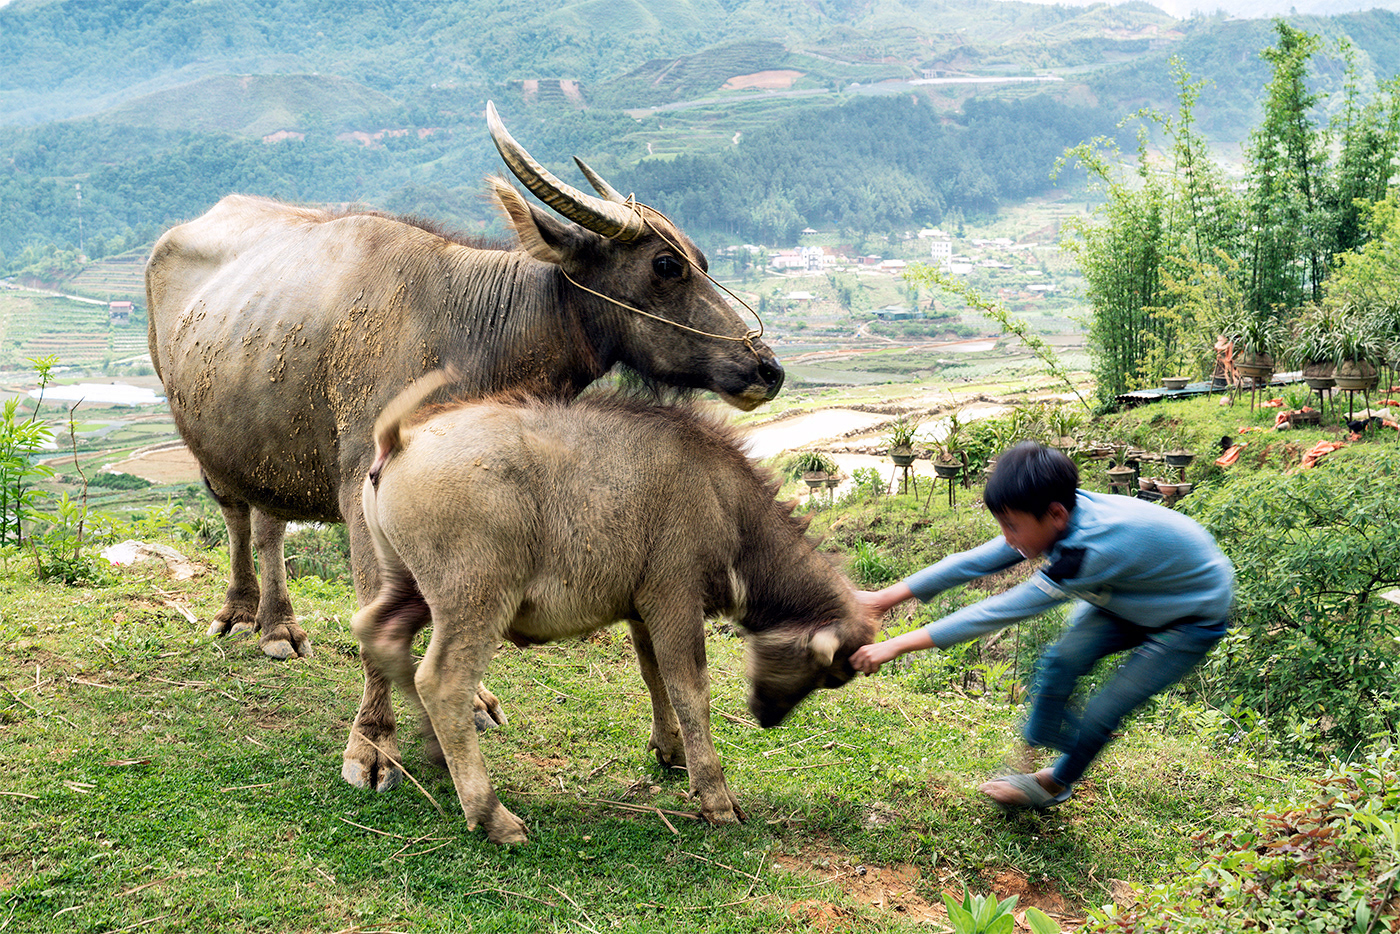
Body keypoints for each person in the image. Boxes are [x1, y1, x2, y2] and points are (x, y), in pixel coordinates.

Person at [849, 441, 1234, 810]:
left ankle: (1053, 780)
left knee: (1103, 711)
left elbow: (1001, 609)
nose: (1006, 537)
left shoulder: (1087, 552)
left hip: (1190, 614)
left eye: (1011, 527)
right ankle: (1039, 748)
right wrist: (883, 598)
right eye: (1002, 525)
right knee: (1061, 660)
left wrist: (895, 645)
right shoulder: (1055, 514)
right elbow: (975, 560)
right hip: (1132, 593)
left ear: (1055, 515)